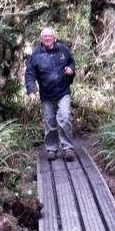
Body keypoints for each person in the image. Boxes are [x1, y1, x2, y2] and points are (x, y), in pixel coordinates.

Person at [25, 27, 76, 161]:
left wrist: (71, 68)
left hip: (63, 91)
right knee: (50, 121)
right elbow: (30, 73)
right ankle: (52, 149)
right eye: (44, 37)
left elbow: (71, 61)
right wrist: (31, 91)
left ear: (54, 37)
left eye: (49, 36)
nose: (47, 38)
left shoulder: (63, 50)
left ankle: (67, 148)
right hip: (46, 94)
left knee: (64, 117)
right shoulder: (36, 55)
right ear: (41, 39)